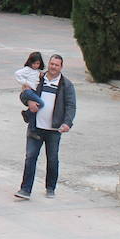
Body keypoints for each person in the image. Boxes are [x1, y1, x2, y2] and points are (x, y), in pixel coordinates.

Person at [15, 54, 76, 200]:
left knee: (52, 159)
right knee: (30, 157)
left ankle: (50, 188)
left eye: (57, 65)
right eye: (52, 64)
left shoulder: (66, 85)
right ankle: (25, 190)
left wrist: (67, 123)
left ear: (61, 67)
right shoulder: (38, 79)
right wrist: (28, 102)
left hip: (54, 130)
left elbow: (71, 106)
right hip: (35, 126)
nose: (53, 67)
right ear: (48, 64)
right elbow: (24, 93)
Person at [14, 52, 46, 119]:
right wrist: (25, 83)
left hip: (32, 92)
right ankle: (27, 114)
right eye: (34, 63)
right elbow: (17, 74)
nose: (35, 65)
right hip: (28, 92)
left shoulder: (37, 71)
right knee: (42, 103)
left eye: (37, 63)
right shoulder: (27, 69)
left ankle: (28, 114)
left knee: (38, 104)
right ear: (30, 62)